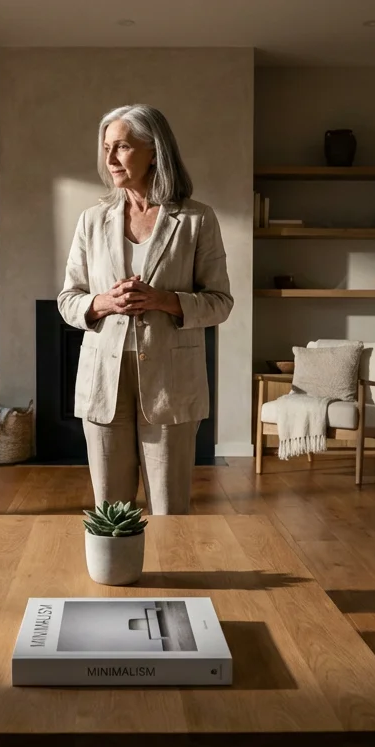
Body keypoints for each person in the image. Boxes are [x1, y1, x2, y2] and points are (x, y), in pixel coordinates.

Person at [57, 104, 233, 516]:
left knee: (170, 512)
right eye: (106, 148)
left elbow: (220, 302)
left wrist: (163, 300)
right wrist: (103, 302)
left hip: (171, 384)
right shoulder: (91, 221)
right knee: (110, 513)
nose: (110, 158)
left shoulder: (197, 220)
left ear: (154, 151)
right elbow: (68, 300)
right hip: (104, 383)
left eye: (121, 146)